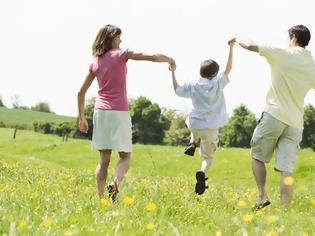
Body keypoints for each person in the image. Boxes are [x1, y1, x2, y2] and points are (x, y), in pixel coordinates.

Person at [77, 24, 175, 201]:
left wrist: (82, 118)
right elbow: (152, 56)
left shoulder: (94, 61)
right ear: (112, 38)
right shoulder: (121, 53)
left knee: (104, 160)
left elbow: (80, 93)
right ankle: (115, 184)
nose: (121, 40)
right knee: (125, 156)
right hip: (119, 112)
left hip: (100, 112)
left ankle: (100, 200)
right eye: (119, 37)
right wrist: (171, 60)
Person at [235, 25, 315, 210]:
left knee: (257, 156)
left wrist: (236, 36)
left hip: (274, 114)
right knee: (287, 170)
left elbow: (249, 45)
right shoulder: (312, 64)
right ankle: (285, 211)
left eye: (289, 37)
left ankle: (262, 195)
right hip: (295, 123)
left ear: (293, 37)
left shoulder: (283, 53)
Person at [169, 39, 235, 195]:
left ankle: (192, 142)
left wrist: (172, 71)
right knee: (208, 157)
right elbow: (228, 68)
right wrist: (231, 47)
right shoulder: (217, 83)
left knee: (192, 121)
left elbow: (177, 90)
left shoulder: (193, 83)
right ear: (214, 74)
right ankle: (202, 172)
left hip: (194, 123)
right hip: (211, 127)